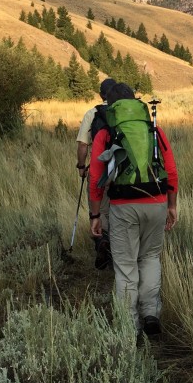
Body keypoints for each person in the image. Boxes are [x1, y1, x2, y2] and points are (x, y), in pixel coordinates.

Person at [88, 82, 178, 339]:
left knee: (126, 266)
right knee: (150, 258)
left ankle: (130, 325)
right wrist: (171, 205)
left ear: (111, 106)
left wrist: (95, 215)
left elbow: (96, 179)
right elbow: (171, 172)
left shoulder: (105, 133)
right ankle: (151, 314)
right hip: (157, 201)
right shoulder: (153, 129)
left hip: (122, 207)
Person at [76, 78, 116, 268]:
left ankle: (103, 243)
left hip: (99, 170)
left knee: (99, 209)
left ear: (101, 95)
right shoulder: (126, 112)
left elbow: (83, 144)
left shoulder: (93, 113)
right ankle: (118, 248)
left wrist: (82, 167)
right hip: (122, 170)